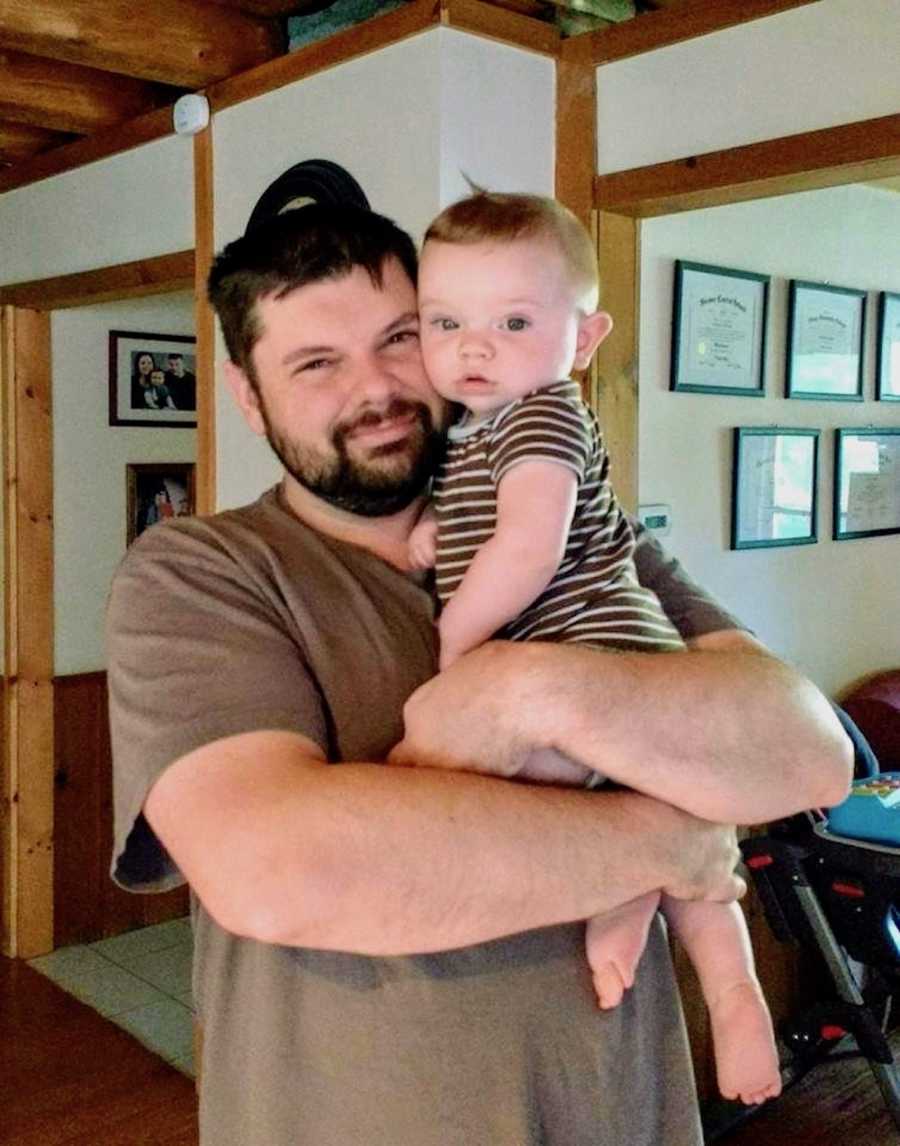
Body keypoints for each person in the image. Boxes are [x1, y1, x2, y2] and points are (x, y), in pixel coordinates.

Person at [106, 204, 852, 1146]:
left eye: (400, 338)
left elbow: (808, 754)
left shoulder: (583, 533)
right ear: (246, 394)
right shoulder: (203, 573)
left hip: (623, 1115)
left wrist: (519, 690)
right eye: (316, 363)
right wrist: (667, 840)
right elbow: (281, 872)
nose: (376, 387)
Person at [408, 190, 779, 1105]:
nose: (474, 346)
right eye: (445, 321)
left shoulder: (541, 415)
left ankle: (657, 923)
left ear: (582, 339)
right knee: (663, 816)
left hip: (598, 642)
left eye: (514, 321)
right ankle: (729, 989)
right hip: (593, 655)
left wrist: (455, 633)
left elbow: (531, 545)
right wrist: (431, 535)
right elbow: (482, 519)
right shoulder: (477, 432)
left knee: (529, 787)